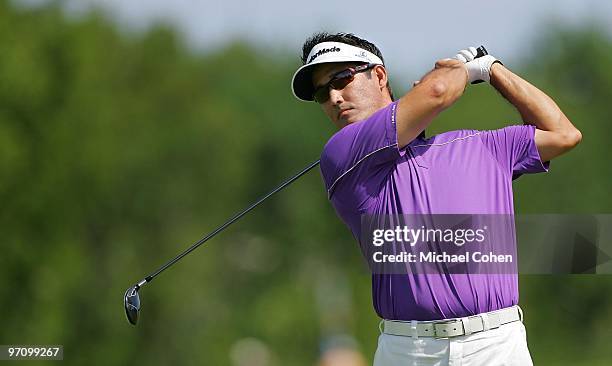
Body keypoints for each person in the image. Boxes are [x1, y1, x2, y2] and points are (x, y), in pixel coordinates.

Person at [291, 32, 581, 365]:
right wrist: (462, 69)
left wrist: (491, 69)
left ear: (380, 76)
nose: (334, 98)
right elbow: (438, 92)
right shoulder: (341, 156)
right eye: (321, 93)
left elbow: (563, 133)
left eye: (341, 79)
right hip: (408, 349)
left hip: (496, 345)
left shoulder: (481, 145)